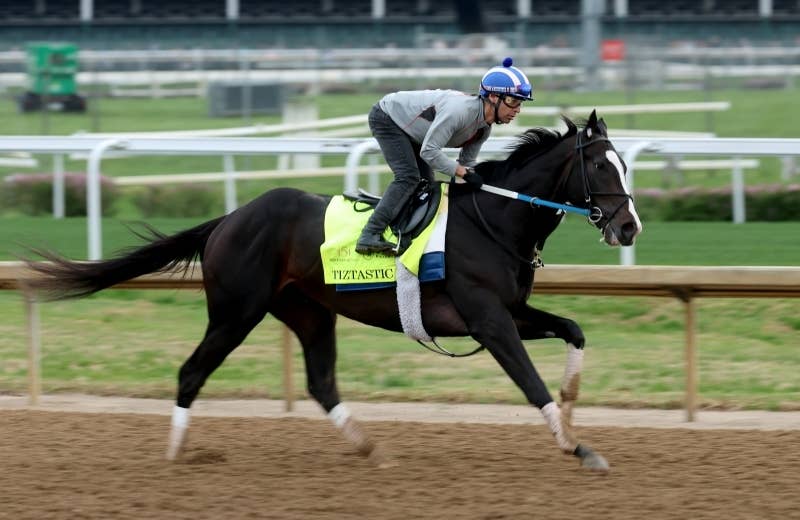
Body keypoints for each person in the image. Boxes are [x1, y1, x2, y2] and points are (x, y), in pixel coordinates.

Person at [355, 57, 533, 255]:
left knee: (427, 186)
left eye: (520, 103)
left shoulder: (484, 129)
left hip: (414, 130)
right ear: (493, 97)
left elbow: (466, 165)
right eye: (512, 101)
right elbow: (430, 152)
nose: (517, 110)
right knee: (408, 178)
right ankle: (369, 235)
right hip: (388, 117)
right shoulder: (459, 112)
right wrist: (463, 173)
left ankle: (404, 235)